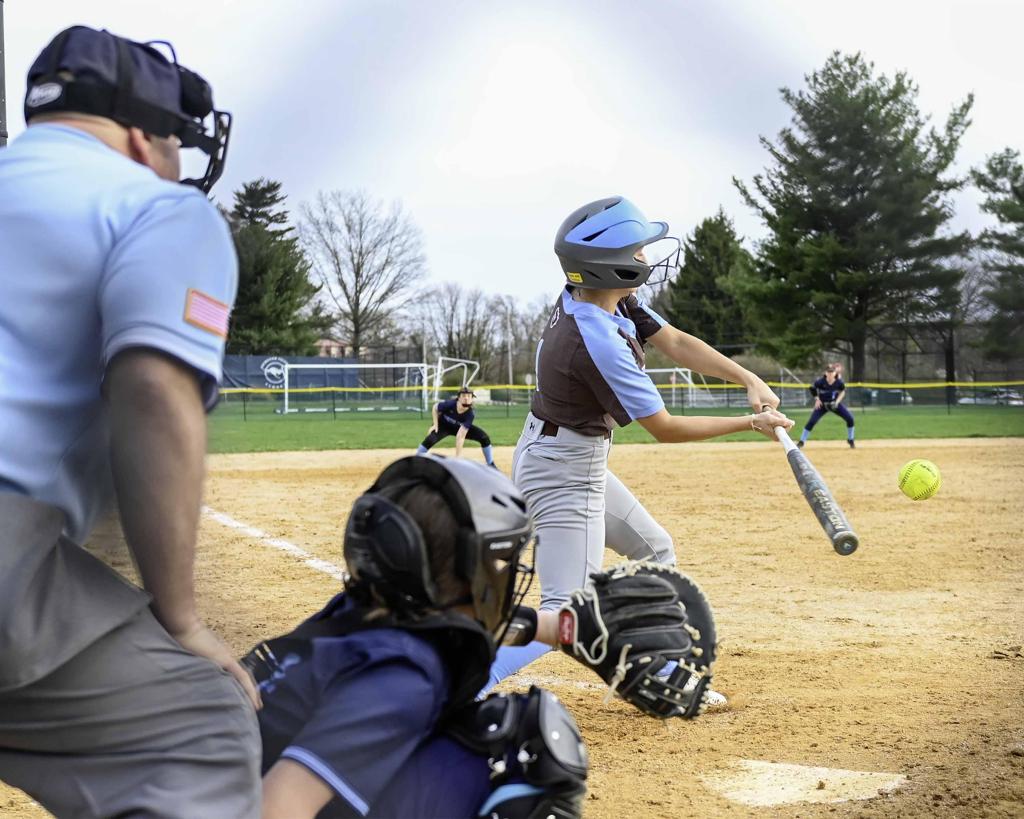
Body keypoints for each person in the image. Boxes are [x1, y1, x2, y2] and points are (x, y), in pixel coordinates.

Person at [0, 26, 259, 817]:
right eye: (176, 140)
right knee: (200, 729)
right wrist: (178, 616)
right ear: (145, 135)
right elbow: (151, 389)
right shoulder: (156, 206)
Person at [486, 195, 794, 691]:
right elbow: (664, 427)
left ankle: (656, 667)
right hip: (562, 470)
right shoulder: (598, 339)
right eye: (635, 252)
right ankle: (461, 685)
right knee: (564, 611)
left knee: (655, 549)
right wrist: (747, 423)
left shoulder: (601, 297)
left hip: (567, 457)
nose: (645, 258)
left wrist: (748, 378)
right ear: (608, 266)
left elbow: (676, 341)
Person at [248, 455, 589, 819]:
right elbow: (276, 810)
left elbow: (453, 625)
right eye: (496, 562)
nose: (501, 574)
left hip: (227, 773)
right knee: (514, 758)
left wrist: (556, 628)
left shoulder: (366, 609)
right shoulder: (405, 680)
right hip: (243, 801)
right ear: (466, 574)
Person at [417, 387, 497, 467]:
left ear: (472, 399)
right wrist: (435, 425)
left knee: (484, 437)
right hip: (444, 426)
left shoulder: (470, 414)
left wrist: (458, 457)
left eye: (469, 396)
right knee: (430, 439)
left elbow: (460, 436)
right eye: (463, 396)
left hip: (459, 427)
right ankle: (415, 462)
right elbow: (435, 407)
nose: (466, 398)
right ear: (458, 398)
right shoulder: (450, 404)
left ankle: (491, 464)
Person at [798, 364, 856, 448]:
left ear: (835, 373)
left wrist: (837, 402)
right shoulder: (820, 382)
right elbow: (812, 388)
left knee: (850, 419)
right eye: (828, 372)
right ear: (825, 373)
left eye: (832, 372)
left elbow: (842, 391)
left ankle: (851, 439)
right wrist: (817, 399)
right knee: (812, 421)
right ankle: (802, 441)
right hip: (822, 405)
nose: (830, 374)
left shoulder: (839, 382)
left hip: (834, 404)